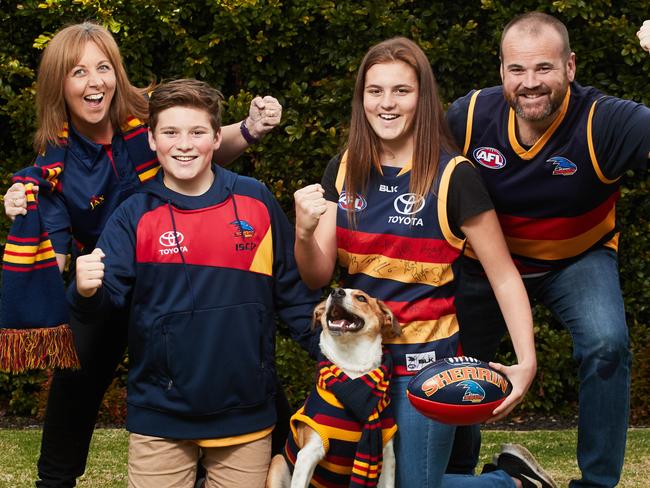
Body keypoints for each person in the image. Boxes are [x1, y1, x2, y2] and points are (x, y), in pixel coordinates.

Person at [2, 22, 283, 488]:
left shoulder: (145, 121)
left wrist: (250, 129)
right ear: (59, 84)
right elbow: (55, 262)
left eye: (104, 68)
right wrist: (24, 219)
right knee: (74, 377)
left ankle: (277, 462)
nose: (95, 82)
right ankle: (54, 481)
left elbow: (196, 144)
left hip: (171, 274)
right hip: (110, 285)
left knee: (244, 369)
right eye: (78, 72)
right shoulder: (53, 167)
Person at [293, 36, 554, 488]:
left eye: (401, 91)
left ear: (423, 98)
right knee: (350, 478)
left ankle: (511, 483)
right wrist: (301, 232)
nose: (387, 104)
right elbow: (317, 274)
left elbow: (505, 277)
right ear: (362, 99)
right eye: (375, 91)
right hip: (356, 364)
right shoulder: (343, 168)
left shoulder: (455, 177)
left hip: (427, 370)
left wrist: (526, 364)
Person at [68, 78, 321, 488]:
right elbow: (103, 306)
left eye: (197, 132)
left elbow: (293, 297)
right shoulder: (134, 214)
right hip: (160, 418)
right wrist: (83, 291)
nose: (183, 144)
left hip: (246, 416)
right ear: (151, 140)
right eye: (170, 132)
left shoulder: (255, 202)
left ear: (217, 137)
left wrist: (336, 353)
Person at [446, 12, 650, 488]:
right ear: (501, 71)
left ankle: (597, 483)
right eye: (517, 70)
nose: (530, 83)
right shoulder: (469, 116)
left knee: (607, 344)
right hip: (483, 263)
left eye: (545, 68)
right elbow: (404, 165)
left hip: (576, 258)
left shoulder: (607, 121)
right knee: (456, 362)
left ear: (571, 67)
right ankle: (456, 476)